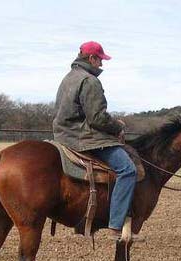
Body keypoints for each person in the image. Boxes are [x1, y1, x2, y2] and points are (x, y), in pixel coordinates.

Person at [53, 41, 137, 240]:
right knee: (128, 170)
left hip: (63, 133)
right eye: (100, 59)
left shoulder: (68, 78)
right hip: (83, 137)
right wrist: (118, 126)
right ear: (91, 58)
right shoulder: (90, 80)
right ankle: (117, 226)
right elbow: (97, 118)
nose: (101, 64)